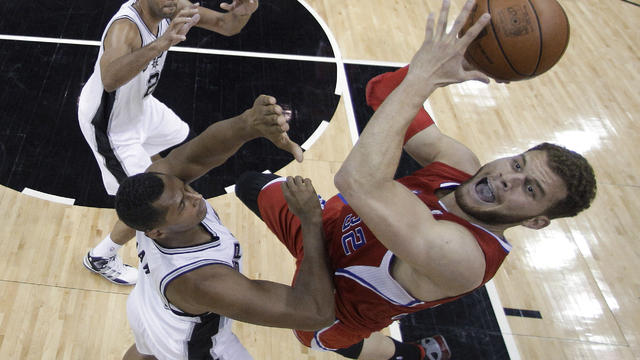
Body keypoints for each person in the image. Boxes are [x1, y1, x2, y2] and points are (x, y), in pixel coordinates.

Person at [234, 1, 597, 359]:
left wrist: (425, 78)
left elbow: (358, 181)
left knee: (326, 340)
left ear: (535, 221)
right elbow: (383, 90)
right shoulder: (460, 164)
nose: (507, 179)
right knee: (249, 182)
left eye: (530, 189)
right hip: (323, 223)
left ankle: (412, 355)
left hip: (330, 306)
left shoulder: (464, 258)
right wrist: (465, 61)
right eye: (518, 164)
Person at [117, 94, 333, 359]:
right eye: (183, 205)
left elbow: (200, 154)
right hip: (189, 347)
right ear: (156, 232)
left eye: (185, 187)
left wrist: (249, 123)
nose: (196, 197)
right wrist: (310, 220)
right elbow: (315, 313)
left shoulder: (159, 195)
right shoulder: (203, 280)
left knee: (145, 350)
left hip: (145, 306)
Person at [78, 0, 259, 285]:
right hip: (111, 126)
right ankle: (103, 256)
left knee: (177, 136)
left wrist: (243, 13)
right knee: (148, 201)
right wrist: (162, 43)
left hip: (141, 107)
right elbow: (110, 78)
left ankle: (156, 176)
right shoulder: (125, 28)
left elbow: (226, 25)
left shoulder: (172, 7)